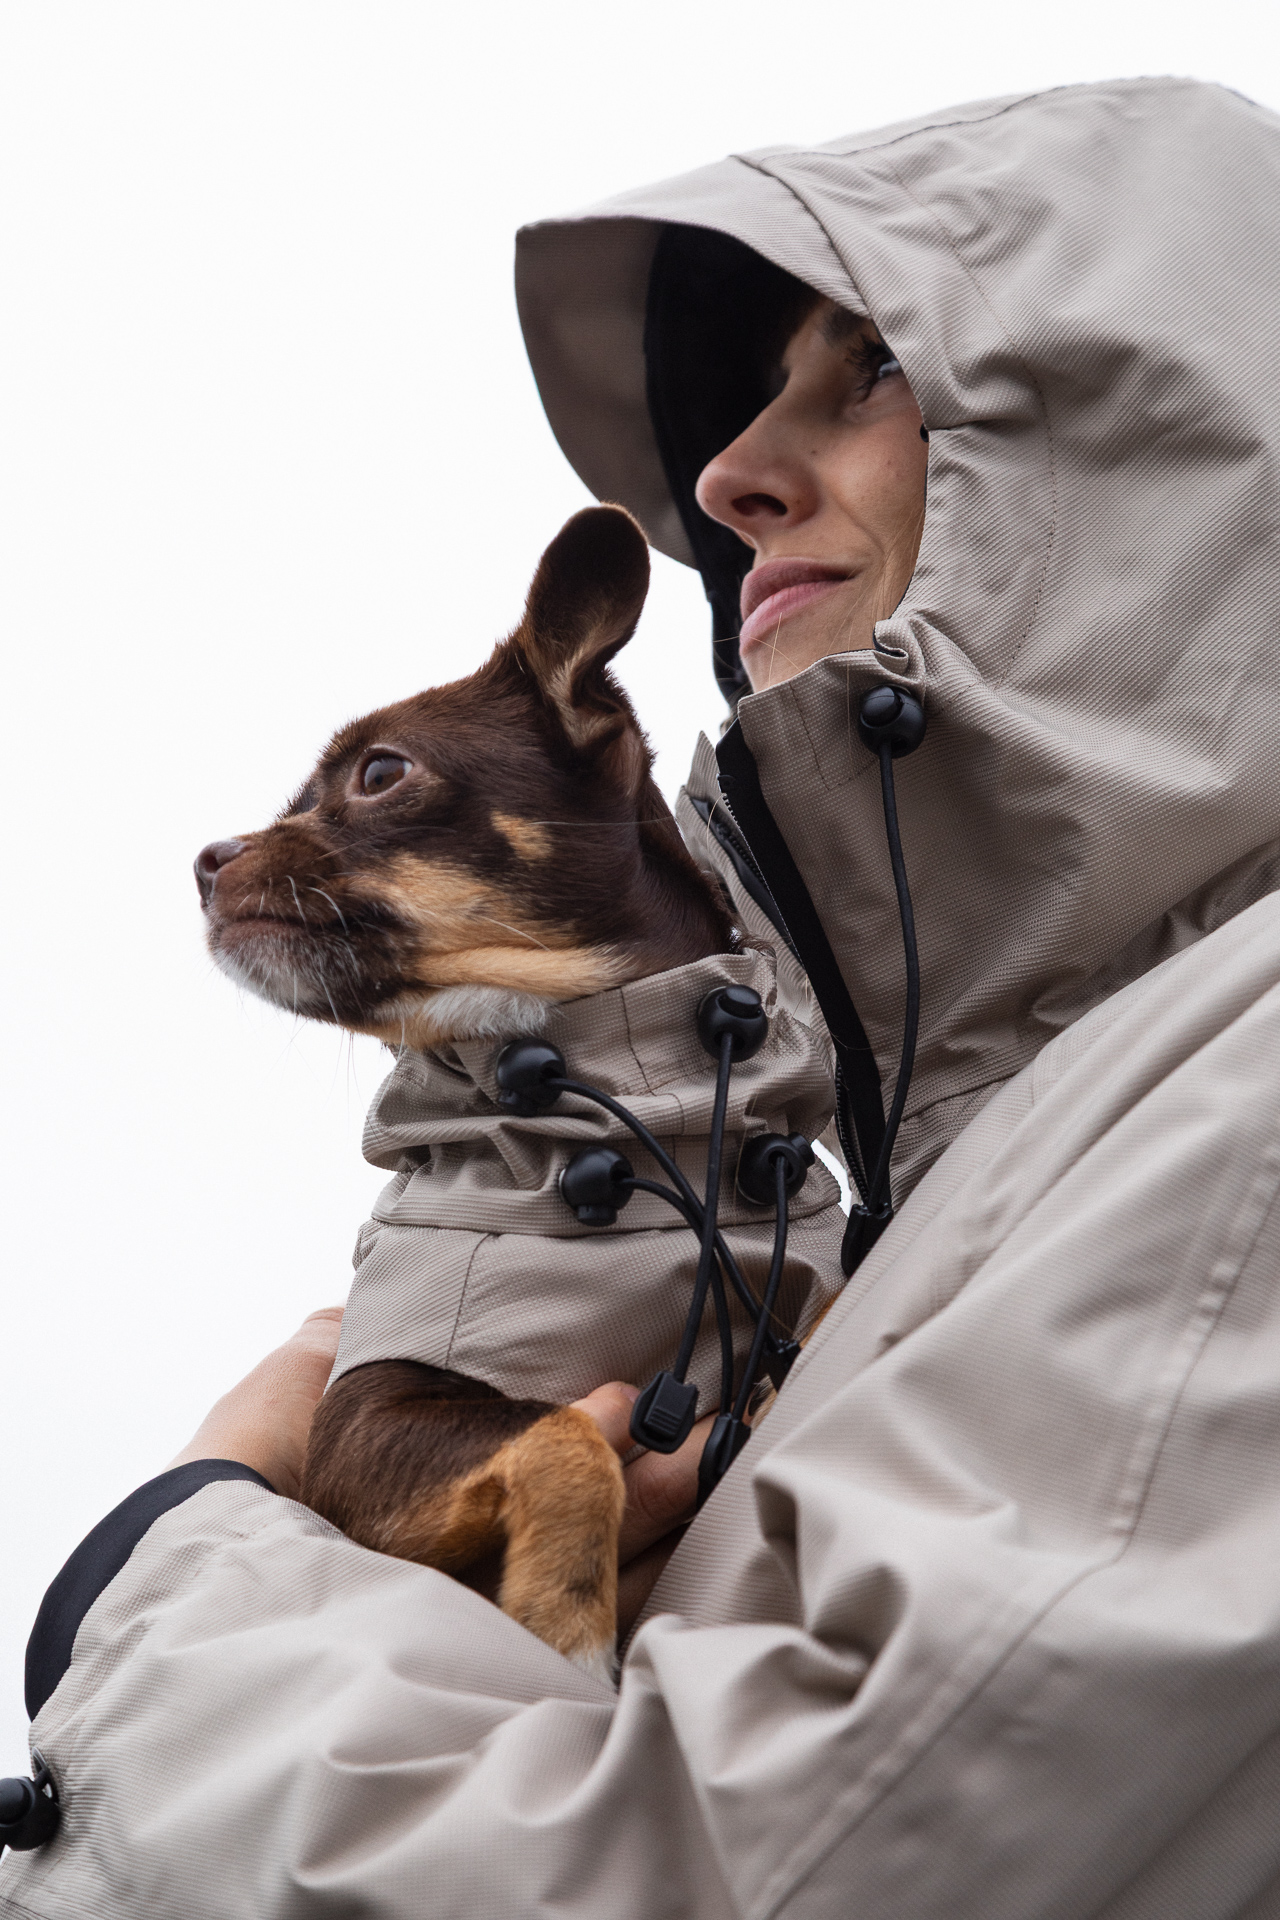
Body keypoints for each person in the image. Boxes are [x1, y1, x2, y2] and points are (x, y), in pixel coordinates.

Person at [6, 73, 1280, 1917]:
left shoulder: (1229, 1091)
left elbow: (698, 1875)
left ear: (1176, 459)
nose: (727, 475)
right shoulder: (935, 1189)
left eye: (871, 373)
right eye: (749, 401)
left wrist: (172, 1551)